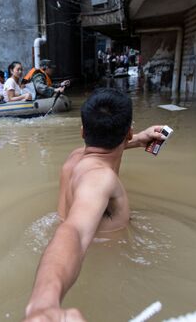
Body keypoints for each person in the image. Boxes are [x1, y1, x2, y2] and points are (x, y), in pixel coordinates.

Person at [24, 88, 168, 322]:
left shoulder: (74, 158)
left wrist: (139, 139)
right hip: (99, 263)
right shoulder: (99, 179)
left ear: (82, 131)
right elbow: (75, 232)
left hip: (58, 259)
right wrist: (43, 305)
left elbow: (99, 152)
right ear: (128, 132)